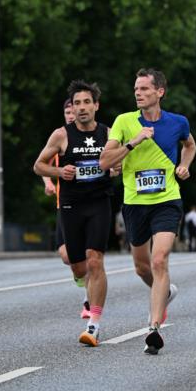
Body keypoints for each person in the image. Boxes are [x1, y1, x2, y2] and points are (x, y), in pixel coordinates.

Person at [100, 68, 196, 355]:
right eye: (136, 89)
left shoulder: (178, 122)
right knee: (142, 267)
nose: (138, 93)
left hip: (167, 200)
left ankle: (154, 328)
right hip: (135, 203)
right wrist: (134, 141)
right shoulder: (124, 122)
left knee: (159, 259)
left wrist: (184, 165)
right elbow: (105, 161)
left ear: (159, 92)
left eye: (144, 89)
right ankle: (164, 291)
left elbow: (190, 145)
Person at [34, 80, 113, 346]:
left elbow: (123, 163)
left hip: (99, 203)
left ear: (96, 105)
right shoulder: (61, 135)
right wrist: (59, 171)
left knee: (95, 260)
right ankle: (86, 289)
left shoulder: (108, 133)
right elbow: (38, 166)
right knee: (78, 265)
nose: (81, 108)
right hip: (71, 206)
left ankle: (94, 324)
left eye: (86, 102)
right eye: (77, 103)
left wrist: (116, 168)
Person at [42, 97, 90, 319]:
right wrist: (48, 182)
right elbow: (43, 163)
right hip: (66, 204)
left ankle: (89, 301)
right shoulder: (61, 136)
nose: (71, 115)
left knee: (90, 254)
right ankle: (79, 274)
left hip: (91, 203)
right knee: (65, 255)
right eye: (67, 113)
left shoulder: (92, 136)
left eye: (74, 111)